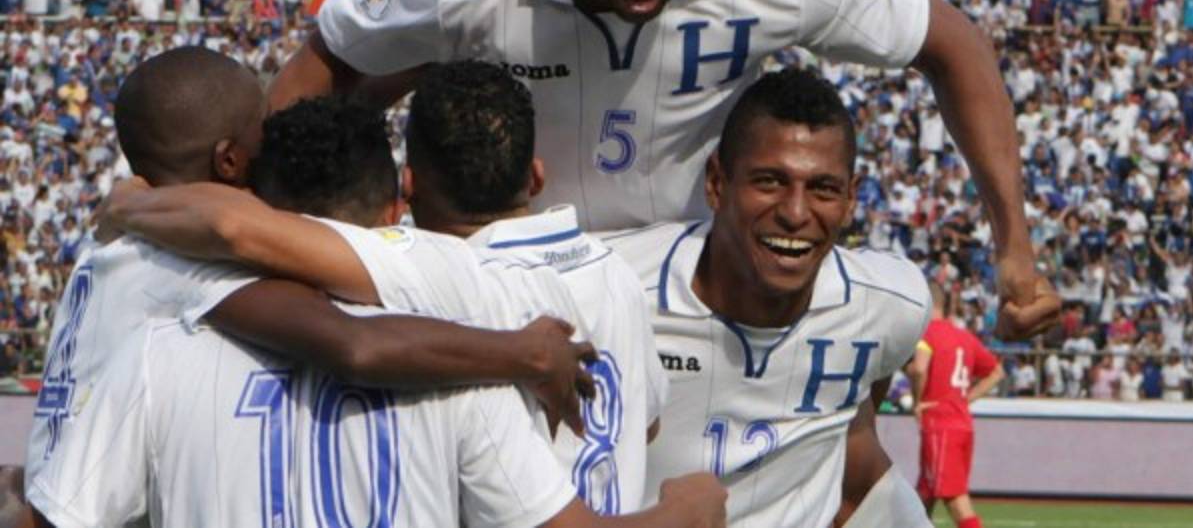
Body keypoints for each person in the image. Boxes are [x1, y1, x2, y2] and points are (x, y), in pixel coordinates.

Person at [271, 0, 1056, 518]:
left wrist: (1014, 248)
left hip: (694, 299)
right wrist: (301, 222)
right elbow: (329, 62)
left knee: (843, 454)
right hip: (522, 309)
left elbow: (952, 42)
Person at [25, 95, 725, 528]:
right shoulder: (466, 357)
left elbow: (63, 514)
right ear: (399, 210)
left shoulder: (159, 352)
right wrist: (686, 512)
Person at [598, 69, 932, 526]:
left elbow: (857, 420)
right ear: (716, 182)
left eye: (823, 189)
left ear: (851, 199)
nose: (796, 213)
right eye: (770, 182)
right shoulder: (611, 288)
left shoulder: (892, 304)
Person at [908, 281, 1004, 528]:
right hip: (962, 424)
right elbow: (996, 372)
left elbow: (919, 368)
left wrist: (917, 402)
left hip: (940, 424)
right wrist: (966, 398)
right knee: (924, 495)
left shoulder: (927, 334)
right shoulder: (964, 337)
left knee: (954, 499)